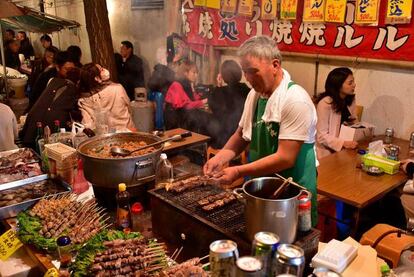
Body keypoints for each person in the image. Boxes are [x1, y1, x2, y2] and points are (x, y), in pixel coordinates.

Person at [203, 36, 318, 225]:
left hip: (291, 194)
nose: (247, 79)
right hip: (261, 188)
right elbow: (241, 134)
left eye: (252, 71)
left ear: (275, 65)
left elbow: (285, 157)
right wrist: (220, 157)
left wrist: (238, 171)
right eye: (244, 72)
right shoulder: (255, 95)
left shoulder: (295, 99)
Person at [21, 67, 80, 149]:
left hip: (31, 125)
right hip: (50, 129)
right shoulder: (75, 90)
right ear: (78, 82)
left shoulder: (52, 81)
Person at [316, 67, 358, 159]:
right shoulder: (325, 103)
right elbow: (321, 136)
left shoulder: (350, 99)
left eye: (353, 82)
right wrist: (343, 143)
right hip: (326, 152)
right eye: (350, 83)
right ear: (338, 85)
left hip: (347, 149)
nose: (354, 85)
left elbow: (354, 123)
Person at [78, 63, 134, 131]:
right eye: (101, 70)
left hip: (105, 136)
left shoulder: (83, 100)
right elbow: (129, 108)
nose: (104, 70)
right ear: (97, 78)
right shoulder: (117, 88)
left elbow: (88, 124)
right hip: (127, 131)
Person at [208, 60, 250, 148]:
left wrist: (218, 86)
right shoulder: (246, 90)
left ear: (223, 76)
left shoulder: (217, 92)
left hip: (221, 139)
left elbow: (212, 108)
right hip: (242, 138)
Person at [164, 60, 208, 132]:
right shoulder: (177, 85)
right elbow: (186, 105)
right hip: (174, 120)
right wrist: (203, 102)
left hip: (180, 117)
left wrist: (202, 96)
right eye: (194, 73)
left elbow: (192, 98)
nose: (196, 75)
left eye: (197, 73)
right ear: (185, 73)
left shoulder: (187, 84)